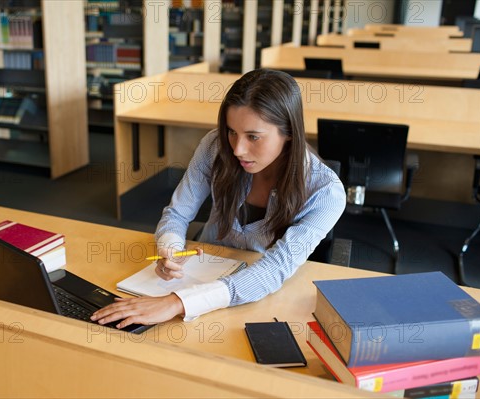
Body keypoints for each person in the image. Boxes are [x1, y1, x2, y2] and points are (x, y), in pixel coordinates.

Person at [91, 69, 346, 329]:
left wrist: (177, 302)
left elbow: (273, 270)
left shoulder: (326, 192)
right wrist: (170, 248)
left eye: (253, 136)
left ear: (289, 131)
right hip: (199, 271)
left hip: (252, 293)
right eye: (231, 131)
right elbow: (177, 214)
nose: (237, 149)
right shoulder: (215, 146)